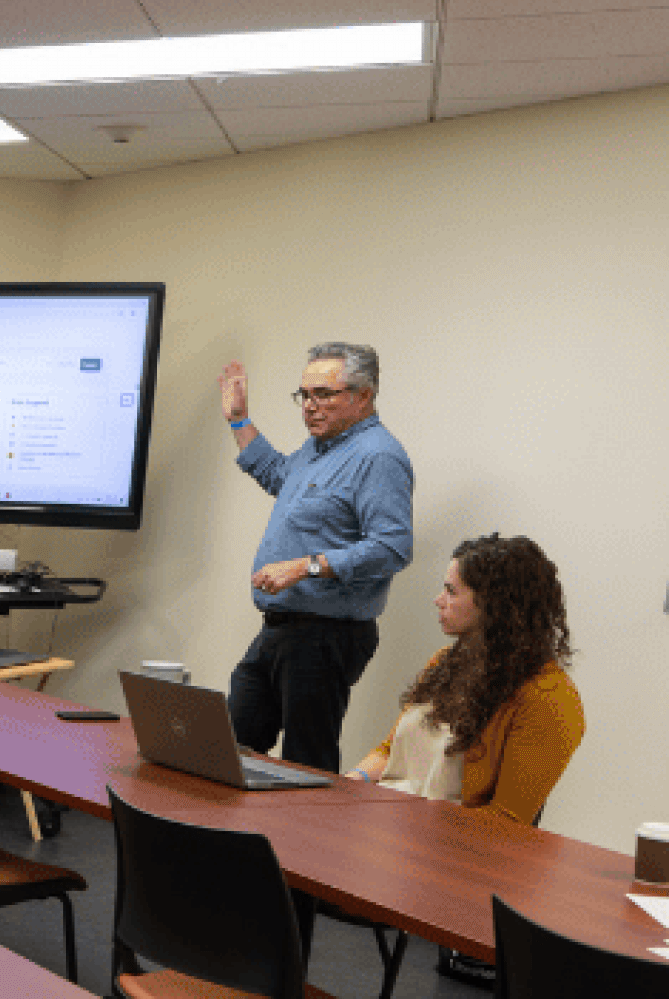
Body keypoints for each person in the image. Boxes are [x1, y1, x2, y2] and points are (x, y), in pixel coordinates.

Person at [218, 343, 414, 773]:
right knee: (228, 745)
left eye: (323, 394)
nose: (309, 406)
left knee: (305, 766)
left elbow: (392, 547)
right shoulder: (318, 449)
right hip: (281, 629)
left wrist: (305, 566)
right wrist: (239, 418)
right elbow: (276, 474)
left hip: (326, 635)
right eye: (304, 395)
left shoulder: (378, 457)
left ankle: (302, 842)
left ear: (364, 395)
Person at [347, 534, 582, 825]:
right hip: (390, 823)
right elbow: (389, 753)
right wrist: (351, 783)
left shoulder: (548, 697)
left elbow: (506, 822)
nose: (438, 600)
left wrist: (412, 828)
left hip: (447, 846)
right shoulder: (443, 661)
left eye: (451, 591)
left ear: (494, 603)